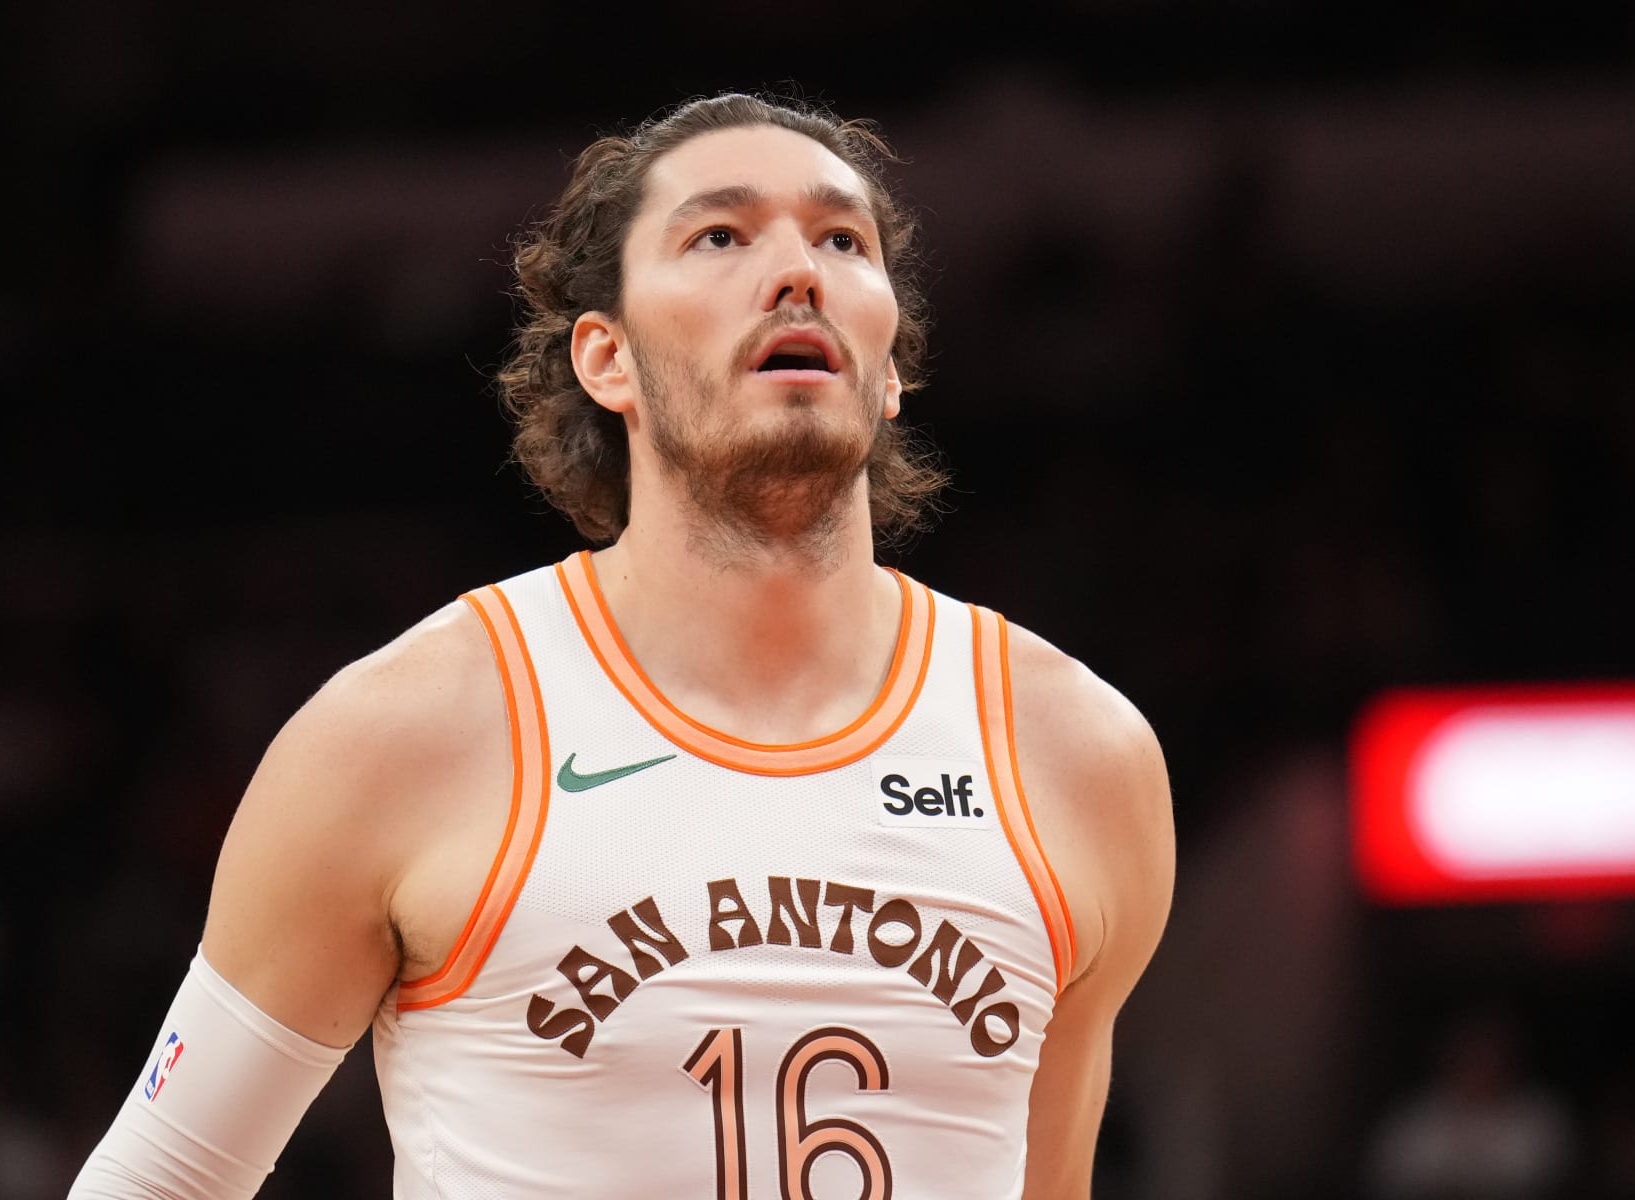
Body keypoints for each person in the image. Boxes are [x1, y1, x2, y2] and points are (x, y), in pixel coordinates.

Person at [68, 91, 1175, 1200]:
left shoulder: (1076, 752)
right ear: (606, 360)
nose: (798, 273)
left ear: (892, 373)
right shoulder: (403, 733)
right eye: (720, 237)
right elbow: (158, 1183)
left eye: (842, 240)